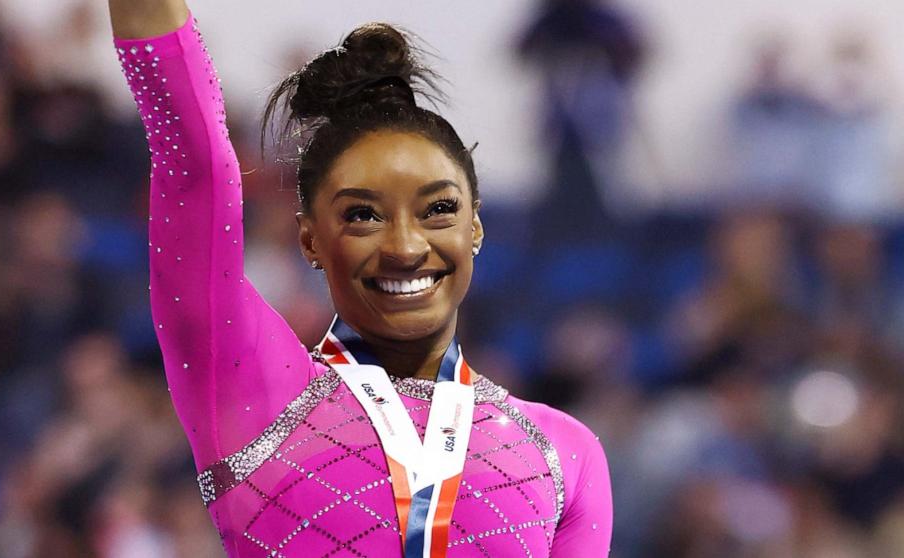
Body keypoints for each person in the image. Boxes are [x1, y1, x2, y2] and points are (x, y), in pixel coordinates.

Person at [107, 1, 612, 556]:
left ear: (475, 226)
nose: (405, 246)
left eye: (437, 209)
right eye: (362, 215)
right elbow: (197, 165)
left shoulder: (566, 453)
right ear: (310, 240)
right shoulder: (253, 391)